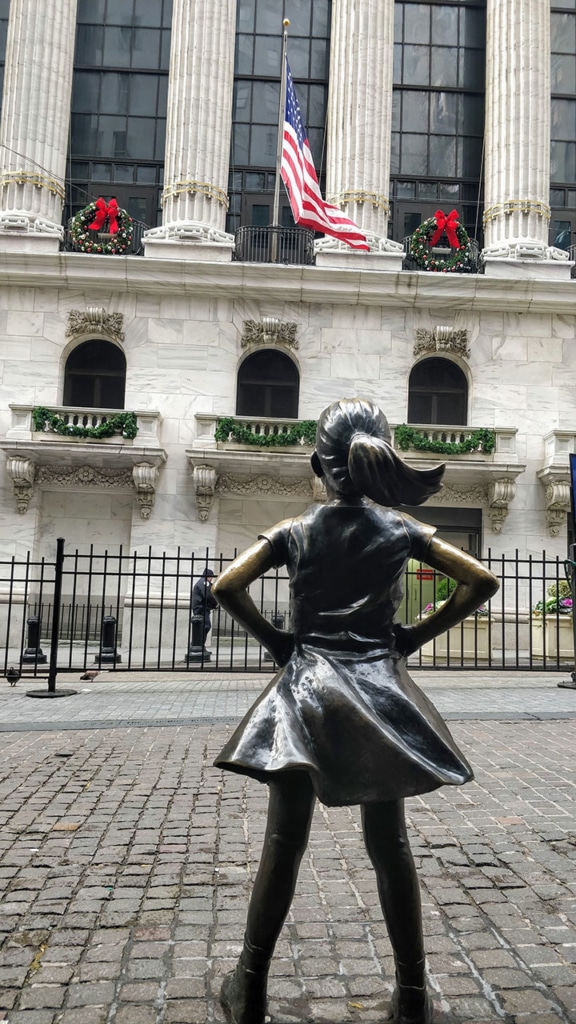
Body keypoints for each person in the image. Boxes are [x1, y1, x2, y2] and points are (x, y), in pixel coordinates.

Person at [212, 399, 499, 1024]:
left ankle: (250, 990)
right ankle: (413, 996)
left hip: (306, 690)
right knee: (390, 845)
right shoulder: (400, 530)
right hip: (379, 691)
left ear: (319, 465)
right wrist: (413, 637)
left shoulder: (295, 530)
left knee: (283, 843)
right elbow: (480, 579)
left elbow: (226, 586)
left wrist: (278, 643)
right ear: (381, 460)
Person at [192, 567, 218, 644]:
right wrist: (215, 604)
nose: (211, 579)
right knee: (205, 626)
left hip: (200, 608)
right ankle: (198, 645)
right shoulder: (204, 582)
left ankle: (197, 645)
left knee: (202, 627)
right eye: (211, 577)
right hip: (201, 608)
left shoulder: (202, 582)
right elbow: (208, 595)